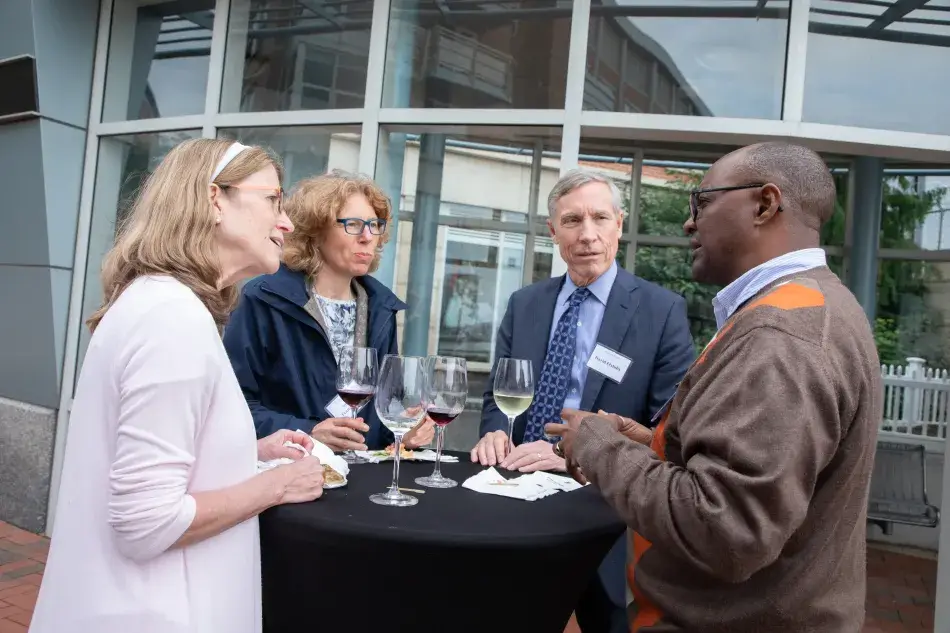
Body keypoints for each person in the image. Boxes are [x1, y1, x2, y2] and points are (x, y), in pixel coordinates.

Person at [547, 142, 882, 633]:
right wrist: (647, 442)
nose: (688, 223)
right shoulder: (813, 305)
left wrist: (598, 446)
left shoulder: (781, 336)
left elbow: (723, 528)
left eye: (701, 203)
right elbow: (745, 471)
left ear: (765, 205)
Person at [29, 139, 327, 633]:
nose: (287, 223)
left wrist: (250, 451)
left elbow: (156, 462)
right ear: (214, 199)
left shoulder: (159, 304)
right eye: (274, 200)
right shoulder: (171, 317)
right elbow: (145, 522)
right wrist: (276, 484)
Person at [474, 169, 696, 633]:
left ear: (619, 223)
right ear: (553, 231)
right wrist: (496, 430)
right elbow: (500, 394)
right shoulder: (525, 304)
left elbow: (669, 429)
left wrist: (566, 453)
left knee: (606, 621)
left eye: (599, 218)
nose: (588, 234)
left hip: (602, 500)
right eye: (572, 220)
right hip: (515, 487)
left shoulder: (660, 311)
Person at [223, 169, 433, 455]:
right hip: (290, 473)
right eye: (354, 224)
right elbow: (231, 408)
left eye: (375, 225)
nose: (368, 237)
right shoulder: (263, 299)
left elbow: (383, 414)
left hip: (362, 480)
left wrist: (405, 430)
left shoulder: (381, 308)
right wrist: (308, 432)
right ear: (315, 231)